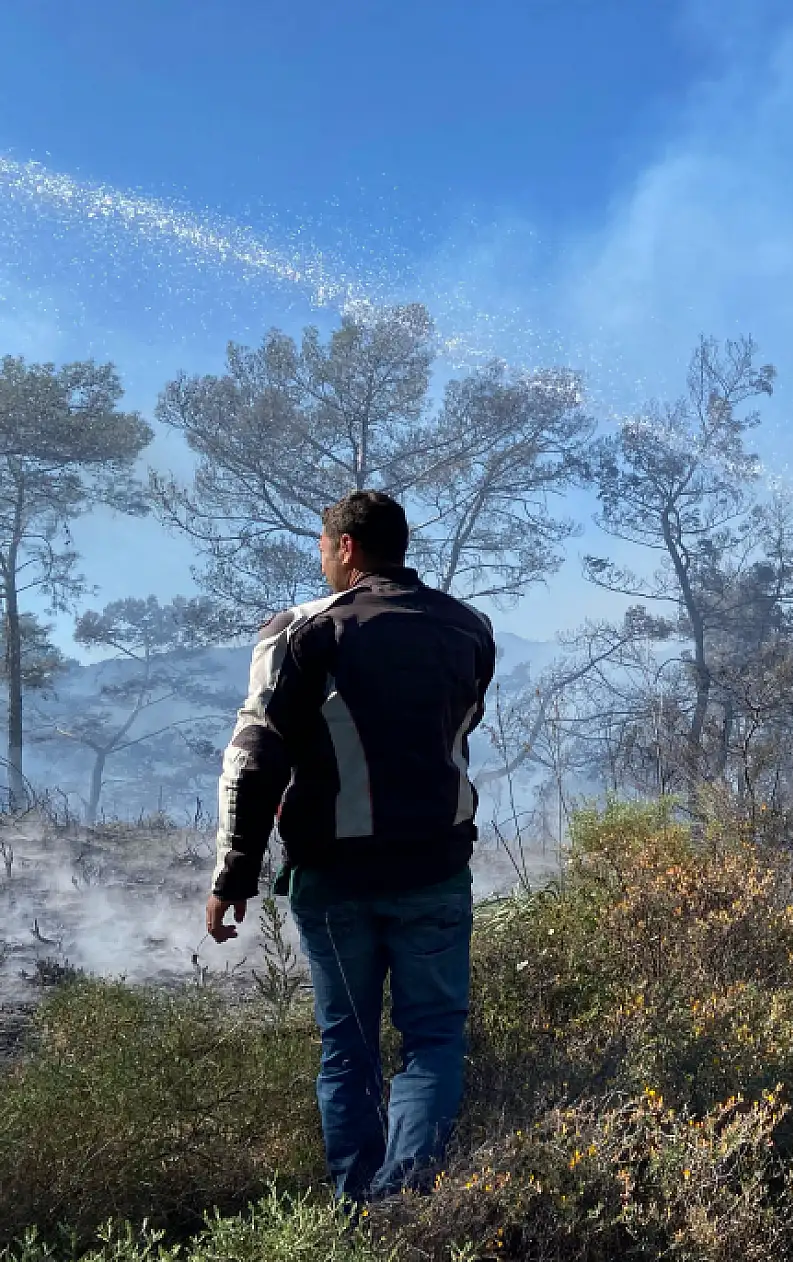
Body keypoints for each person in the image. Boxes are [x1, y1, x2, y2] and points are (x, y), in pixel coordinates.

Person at [203, 490, 496, 1202]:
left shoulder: (304, 631)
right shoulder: (469, 629)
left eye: (323, 548)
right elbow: (462, 727)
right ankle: (406, 1205)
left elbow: (255, 756)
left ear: (347, 549)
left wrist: (234, 873)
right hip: (435, 872)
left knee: (350, 1052)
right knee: (432, 1042)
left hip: (335, 880)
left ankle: (356, 1214)